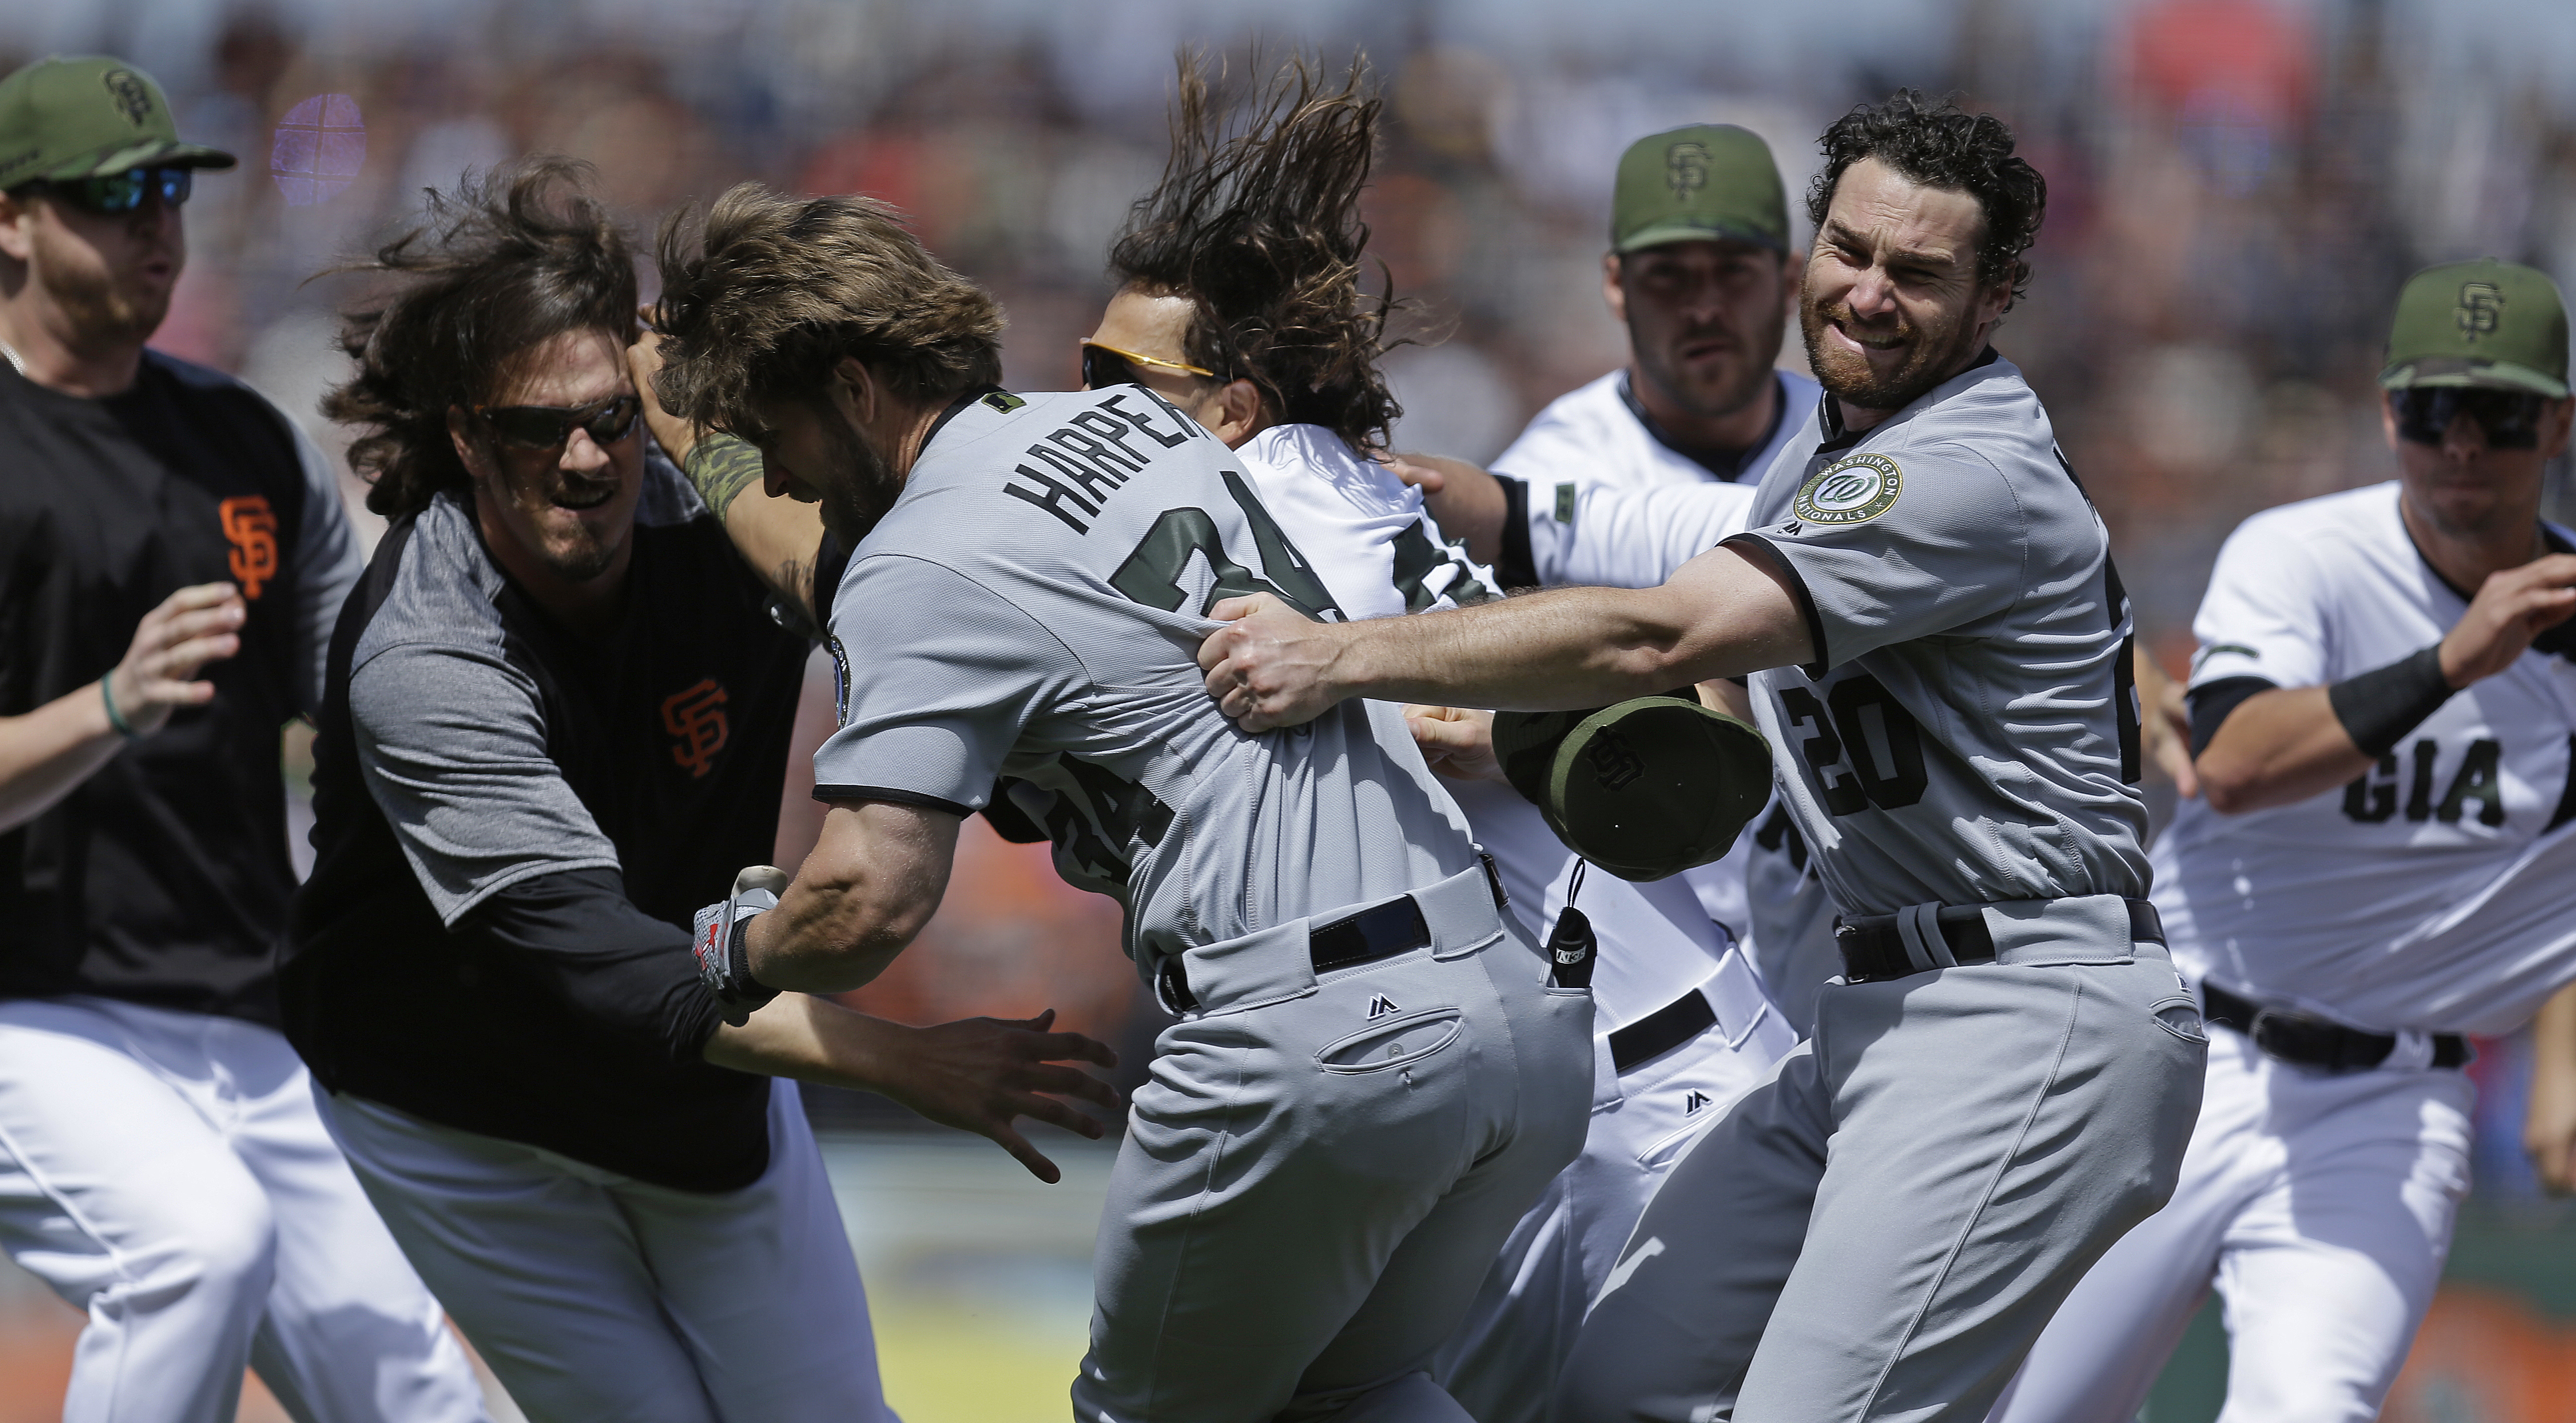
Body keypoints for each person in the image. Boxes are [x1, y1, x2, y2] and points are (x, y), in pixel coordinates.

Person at [1197, 90, 2207, 1422]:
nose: (1870, 293)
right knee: (1616, 1387)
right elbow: (1713, 688)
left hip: (2029, 1015)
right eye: (1852, 251)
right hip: (1871, 1010)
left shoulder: (1963, 465)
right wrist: (1514, 723)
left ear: (1999, 291)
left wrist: (1343, 657)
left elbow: (1667, 632)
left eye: (1920, 272)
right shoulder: (1819, 454)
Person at [643, 129, 1593, 1420]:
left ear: (858, 389)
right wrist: (680, 407)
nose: (786, 473)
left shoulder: (921, 566)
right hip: (1503, 1015)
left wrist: (734, 955)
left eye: (778, 433)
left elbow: (869, 898)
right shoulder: (1121, 429)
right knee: (1357, 1398)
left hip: (1314, 1039)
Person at [282, 160, 1118, 1423]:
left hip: (697, 1098)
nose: (584, 459)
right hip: (465, 1111)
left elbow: (907, 567)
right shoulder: (425, 659)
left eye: (613, 418)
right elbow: (615, 975)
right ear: (463, 436)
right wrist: (904, 1062)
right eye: (534, 427)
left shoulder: (723, 512)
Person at [1988, 259, 2576, 1423]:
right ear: (2387, 411)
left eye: (2499, 412)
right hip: (2184, 1053)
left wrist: (2560, 1068)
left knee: (2310, 1407)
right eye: (2431, 408)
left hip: (2393, 1099)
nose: (2461, 442)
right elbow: (2241, 762)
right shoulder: (2303, 554)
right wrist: (2455, 660)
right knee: (2025, 1411)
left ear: (2559, 422)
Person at [0, 55, 489, 1422]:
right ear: (9, 218)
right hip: (28, 1006)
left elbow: (362, 694)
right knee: (193, 1254)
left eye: (170, 188)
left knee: (424, 1400)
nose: (156, 223)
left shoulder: (242, 440)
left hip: (234, 1005)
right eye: (112, 197)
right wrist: (109, 705)